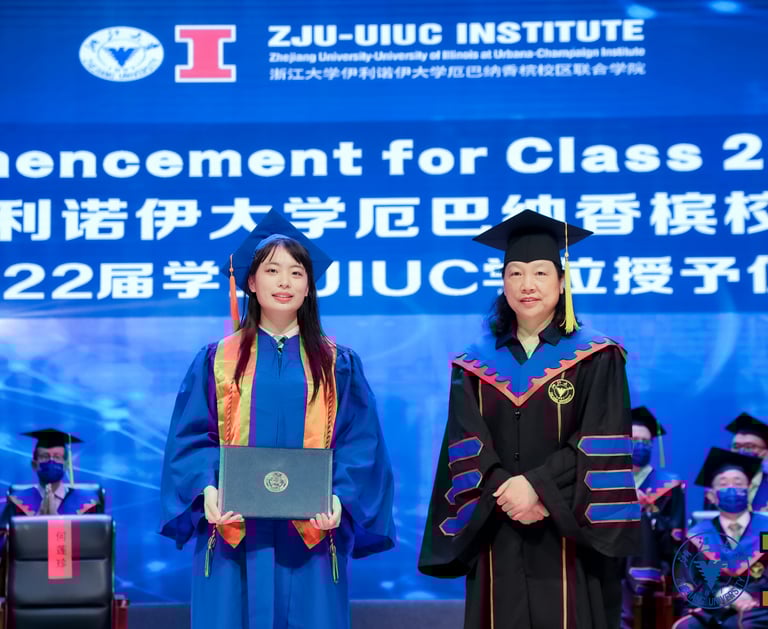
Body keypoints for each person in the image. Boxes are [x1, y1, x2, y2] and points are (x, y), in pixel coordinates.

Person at [159, 209, 396, 629]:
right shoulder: (217, 360)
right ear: (251, 282)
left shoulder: (338, 363)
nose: (284, 282)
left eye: (296, 272)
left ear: (309, 286)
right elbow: (190, 439)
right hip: (233, 534)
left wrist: (339, 498)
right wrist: (206, 490)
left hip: (312, 538)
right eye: (272, 270)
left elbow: (362, 443)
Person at [418, 210, 641, 629]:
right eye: (515, 273)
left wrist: (537, 489)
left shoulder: (597, 356)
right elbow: (465, 442)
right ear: (503, 283)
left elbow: (600, 439)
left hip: (568, 526)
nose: (527, 285)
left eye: (540, 272)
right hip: (496, 522)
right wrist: (506, 491)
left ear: (562, 282)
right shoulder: (473, 364)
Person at [672, 447, 768, 628]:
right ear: (711, 496)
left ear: (749, 490)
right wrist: (722, 595)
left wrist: (750, 597)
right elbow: (689, 582)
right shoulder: (698, 537)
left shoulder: (765, 531)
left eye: (738, 483)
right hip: (713, 609)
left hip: (761, 606)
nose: (732, 489)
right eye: (723, 484)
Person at [621, 406, 686, 629]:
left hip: (653, 560)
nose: (640, 445)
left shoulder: (669, 485)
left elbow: (675, 539)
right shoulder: (607, 480)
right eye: (634, 440)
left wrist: (650, 512)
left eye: (646, 441)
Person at [0, 428, 103, 521]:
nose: (51, 461)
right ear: (34, 465)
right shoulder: (17, 502)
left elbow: (97, 535)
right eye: (44, 457)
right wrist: (36, 522)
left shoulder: (88, 502)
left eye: (57, 457)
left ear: (66, 465)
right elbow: (5, 535)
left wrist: (56, 523)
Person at [703, 413, 768, 511]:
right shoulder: (720, 481)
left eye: (749, 447)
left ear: (766, 451)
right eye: (736, 447)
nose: (741, 451)